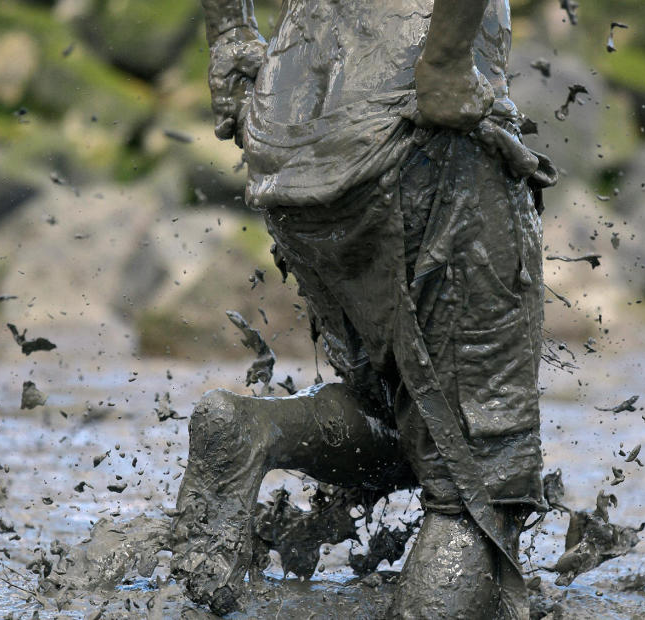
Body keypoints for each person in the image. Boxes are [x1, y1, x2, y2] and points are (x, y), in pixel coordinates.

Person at [169, 1, 556, 617]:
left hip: (288, 127)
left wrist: (232, 34)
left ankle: (251, 429)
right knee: (478, 478)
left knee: (405, 415)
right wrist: (447, 63)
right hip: (414, 127)